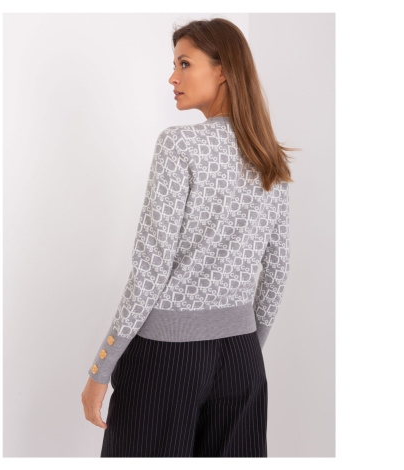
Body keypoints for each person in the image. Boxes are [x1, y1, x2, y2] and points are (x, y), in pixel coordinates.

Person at [81, 17, 297, 457]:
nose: (172, 77)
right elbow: (278, 267)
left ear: (223, 70)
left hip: (166, 359)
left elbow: (151, 266)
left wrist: (101, 368)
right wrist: (245, 349)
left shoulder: (179, 145)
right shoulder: (268, 157)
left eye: (184, 63)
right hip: (243, 361)